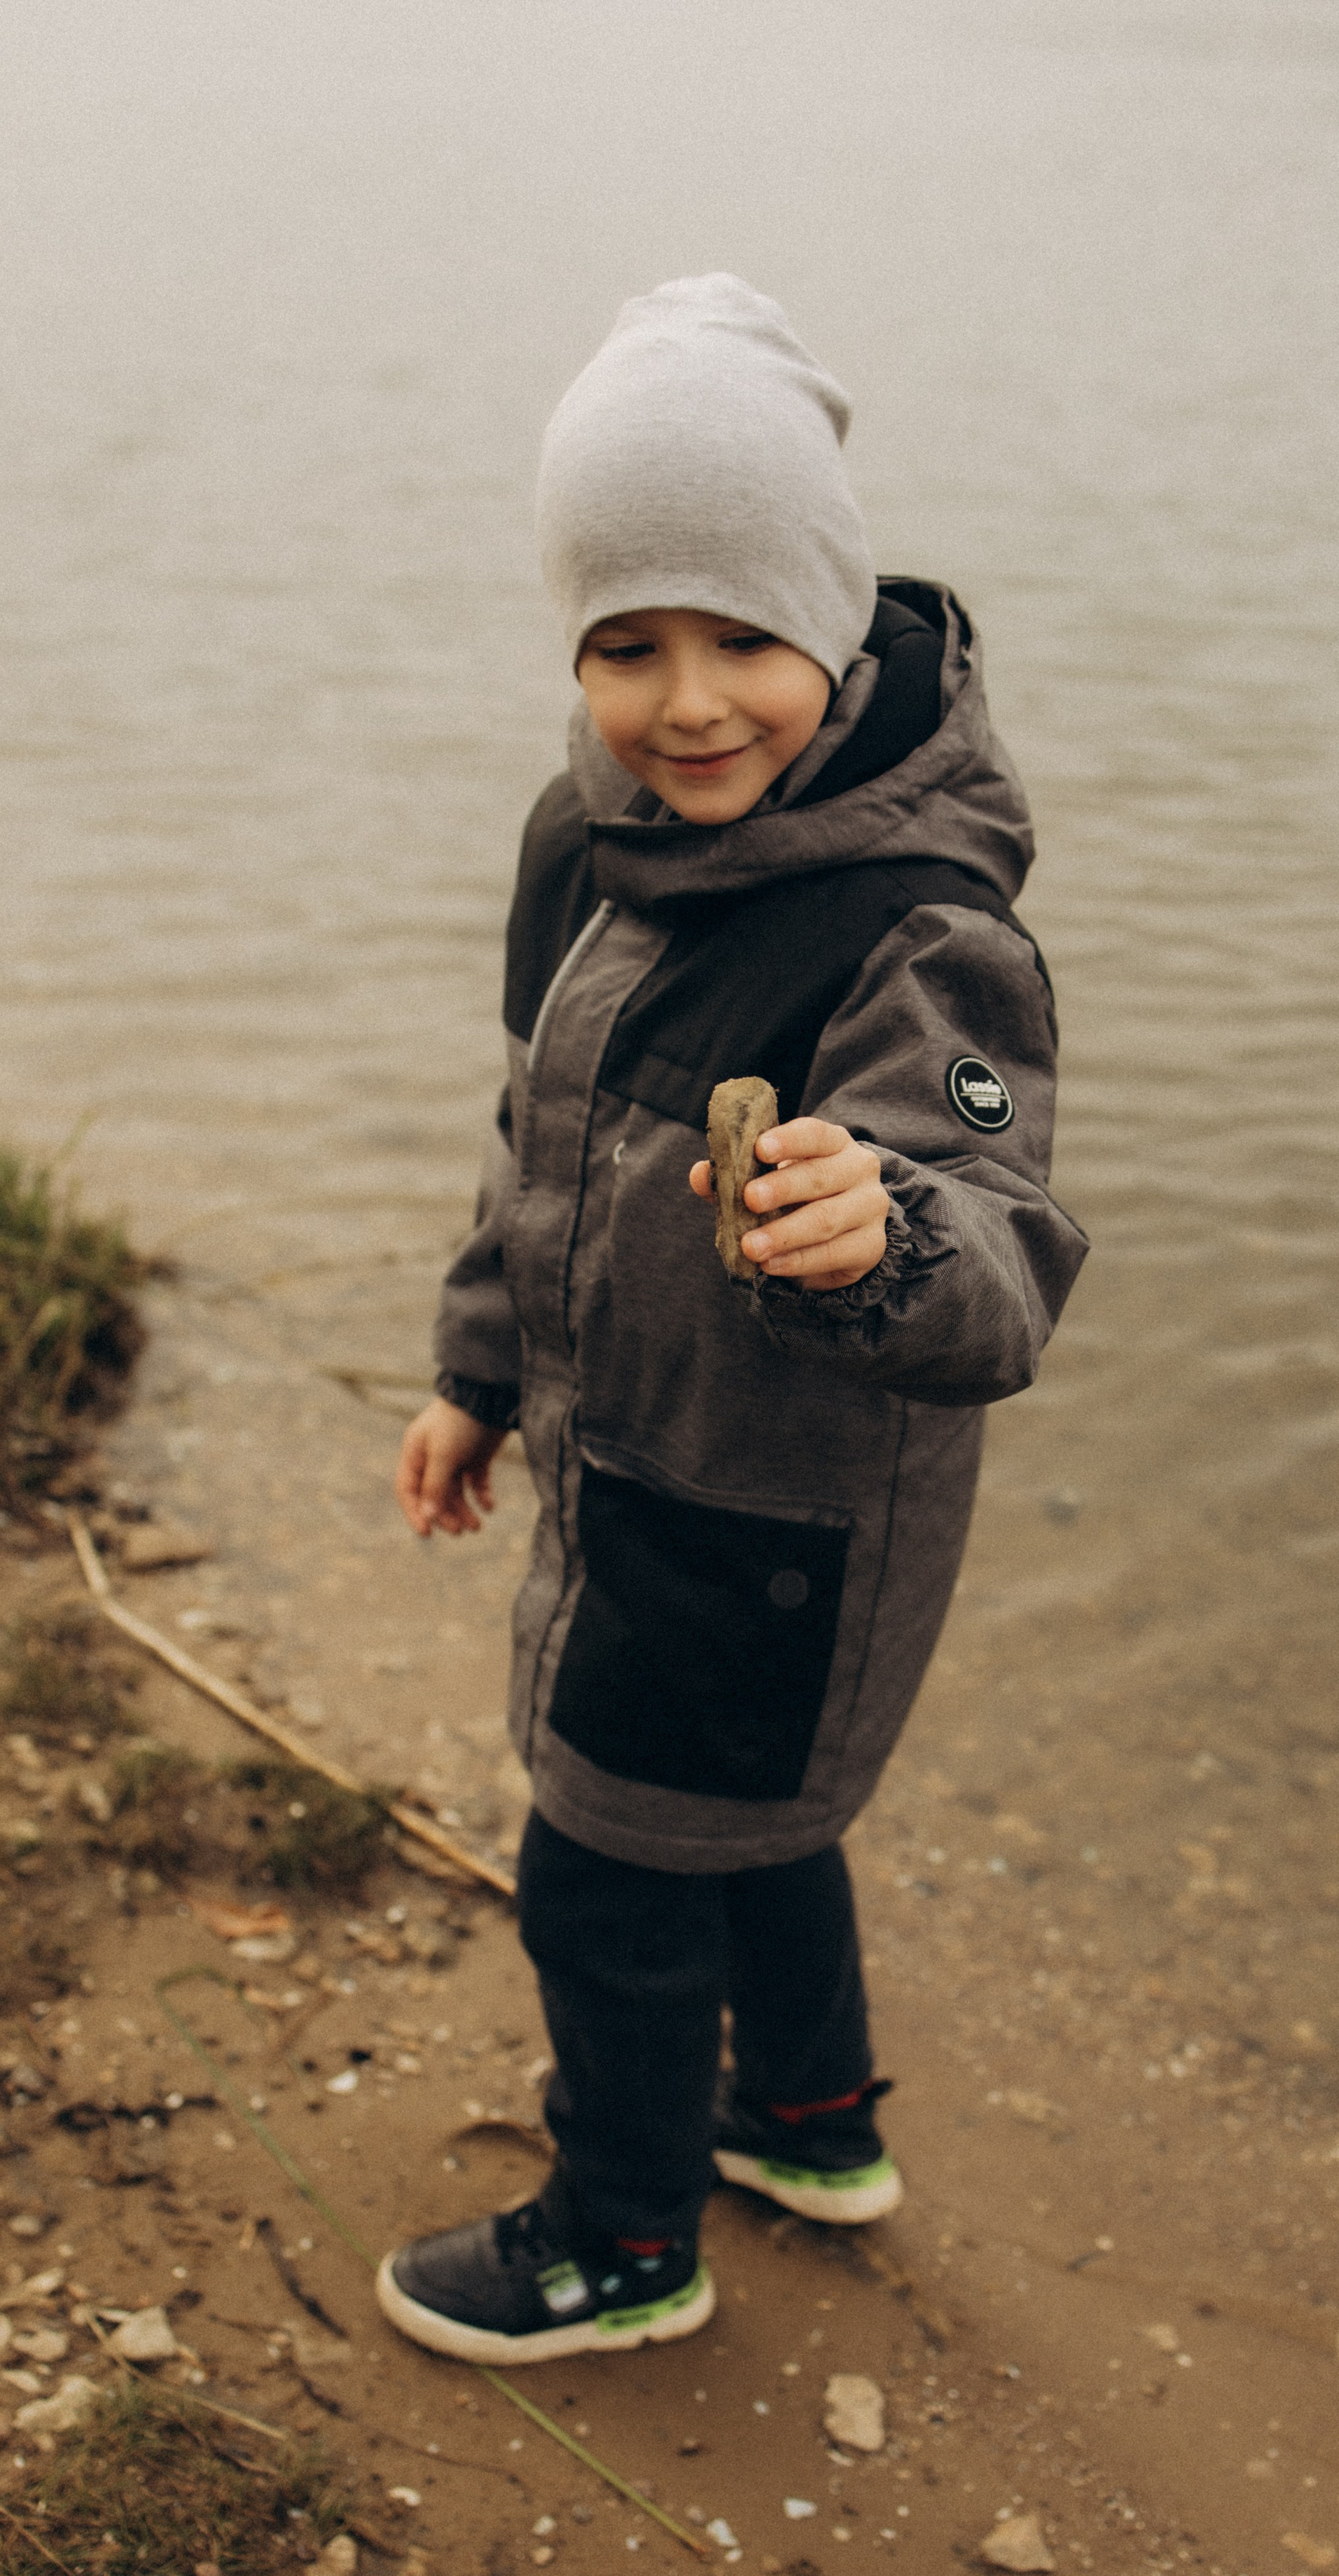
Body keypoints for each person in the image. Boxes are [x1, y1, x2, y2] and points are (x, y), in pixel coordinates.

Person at [378, 275, 1087, 2365]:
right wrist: (476, 1369)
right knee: (756, 1834)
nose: (688, 703)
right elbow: (542, 1140)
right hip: (622, 1458)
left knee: (605, 1868)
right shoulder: (593, 852)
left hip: (780, 1525)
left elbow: (1004, 1269)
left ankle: (624, 2241)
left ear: (842, 633)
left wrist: (879, 1229)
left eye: (744, 641)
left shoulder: (921, 931)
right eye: (626, 644)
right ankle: (808, 2125)